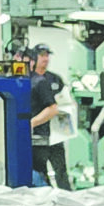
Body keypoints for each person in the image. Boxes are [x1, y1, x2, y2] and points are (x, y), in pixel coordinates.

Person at [27, 47, 70, 187]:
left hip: (56, 134)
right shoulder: (29, 81)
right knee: (40, 173)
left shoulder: (53, 79)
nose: (45, 59)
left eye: (47, 56)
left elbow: (58, 105)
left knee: (60, 171)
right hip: (39, 136)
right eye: (42, 55)